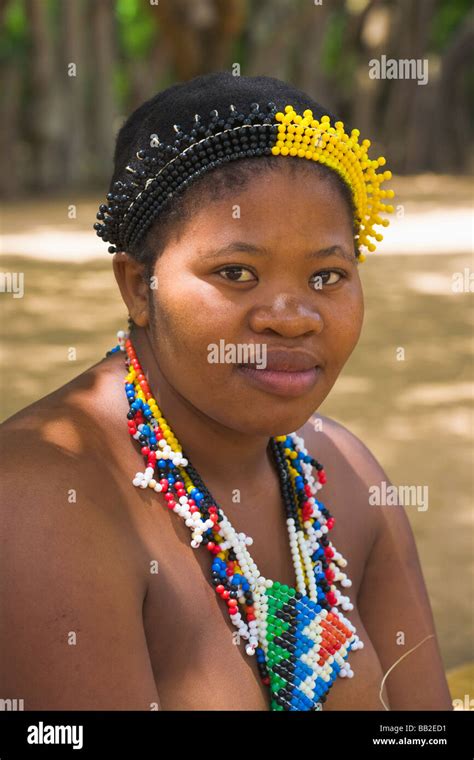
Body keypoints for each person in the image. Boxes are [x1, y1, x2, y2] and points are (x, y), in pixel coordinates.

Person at [0, 72, 452, 711]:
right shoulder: (43, 501)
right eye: (236, 273)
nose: (293, 316)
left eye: (327, 275)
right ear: (137, 287)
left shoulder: (348, 479)